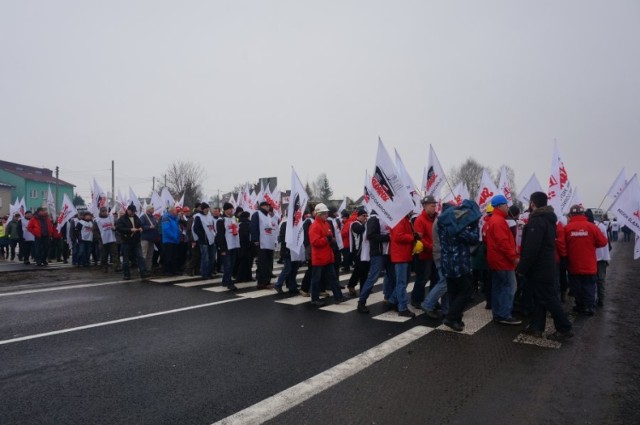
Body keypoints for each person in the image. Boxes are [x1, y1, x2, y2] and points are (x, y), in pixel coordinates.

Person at [517, 191, 573, 341]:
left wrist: (522, 268)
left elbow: (531, 248)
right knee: (539, 298)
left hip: (540, 267)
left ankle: (564, 328)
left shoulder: (537, 220)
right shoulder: (547, 219)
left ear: (532, 203)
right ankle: (537, 327)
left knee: (549, 299)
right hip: (545, 265)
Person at [438, 199, 481, 332]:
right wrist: (474, 225)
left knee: (454, 292)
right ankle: (451, 318)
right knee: (467, 291)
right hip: (460, 264)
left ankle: (456, 320)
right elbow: (473, 238)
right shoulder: (455, 226)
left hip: (447, 263)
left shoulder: (442, 223)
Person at [564, 204, 608, 316]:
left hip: (573, 264)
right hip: (589, 264)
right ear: (583, 214)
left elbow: (562, 245)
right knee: (589, 286)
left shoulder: (567, 228)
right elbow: (603, 242)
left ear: (571, 214)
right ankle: (588, 306)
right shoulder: (592, 227)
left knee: (576, 287)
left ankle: (579, 305)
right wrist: (591, 244)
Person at [484, 195, 521, 325]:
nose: (508, 207)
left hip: (496, 260)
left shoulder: (493, 220)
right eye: (506, 205)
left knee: (498, 287)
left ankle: (498, 314)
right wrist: (514, 258)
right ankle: (504, 314)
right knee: (510, 287)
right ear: (500, 206)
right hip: (503, 261)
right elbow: (503, 243)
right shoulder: (499, 221)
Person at [308, 203, 347, 306]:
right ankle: (314, 299)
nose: (326, 215)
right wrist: (327, 239)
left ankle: (339, 297)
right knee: (316, 279)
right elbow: (314, 242)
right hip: (319, 257)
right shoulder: (315, 226)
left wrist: (332, 240)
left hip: (328, 256)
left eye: (326, 213)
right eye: (324, 213)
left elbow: (329, 236)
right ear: (319, 214)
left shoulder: (326, 223)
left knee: (333, 278)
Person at [357, 210, 395, 313]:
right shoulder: (374, 218)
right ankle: (361, 302)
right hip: (378, 253)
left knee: (392, 277)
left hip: (389, 253)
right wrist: (388, 237)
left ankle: (391, 299)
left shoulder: (390, 217)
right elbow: (371, 236)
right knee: (373, 278)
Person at [388, 213, 417, 318]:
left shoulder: (404, 219)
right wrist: (412, 237)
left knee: (404, 281)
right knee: (401, 282)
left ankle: (392, 300)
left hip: (404, 254)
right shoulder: (400, 219)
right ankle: (402, 308)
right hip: (400, 255)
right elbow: (398, 236)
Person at [411, 196, 437, 308]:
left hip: (435, 254)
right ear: (425, 206)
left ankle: (432, 300)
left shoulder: (436, 219)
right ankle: (416, 299)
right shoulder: (420, 220)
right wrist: (431, 246)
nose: (434, 207)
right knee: (422, 278)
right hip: (424, 255)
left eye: (435, 205)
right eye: (432, 205)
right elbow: (419, 238)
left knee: (436, 279)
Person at [116, 204, 150, 280]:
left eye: (134, 211)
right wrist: (130, 230)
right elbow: (119, 228)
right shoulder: (122, 219)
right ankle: (126, 274)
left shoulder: (136, 218)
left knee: (140, 257)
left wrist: (141, 228)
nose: (133, 213)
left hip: (136, 241)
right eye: (131, 211)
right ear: (127, 210)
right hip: (126, 241)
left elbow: (141, 225)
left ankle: (143, 272)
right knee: (126, 259)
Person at [250, 201, 278, 289]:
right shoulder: (257, 214)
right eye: (267, 206)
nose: (268, 207)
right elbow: (253, 227)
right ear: (263, 206)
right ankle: (263, 282)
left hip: (269, 242)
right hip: (261, 243)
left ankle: (266, 281)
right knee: (263, 263)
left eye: (268, 206)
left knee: (269, 263)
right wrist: (255, 239)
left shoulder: (268, 216)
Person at [216, 202, 240, 290]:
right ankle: (229, 283)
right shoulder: (221, 220)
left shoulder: (234, 219)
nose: (231, 210)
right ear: (226, 210)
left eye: (232, 209)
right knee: (227, 265)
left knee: (232, 265)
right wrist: (222, 248)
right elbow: (220, 235)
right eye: (230, 209)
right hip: (226, 246)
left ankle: (225, 280)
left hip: (234, 245)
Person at [348, 208, 369, 299]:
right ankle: (351, 285)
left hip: (365, 251)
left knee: (364, 270)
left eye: (366, 216)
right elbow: (360, 230)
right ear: (359, 216)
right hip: (357, 251)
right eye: (363, 216)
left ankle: (363, 287)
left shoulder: (362, 224)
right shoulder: (354, 224)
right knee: (359, 270)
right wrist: (367, 223)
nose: (365, 217)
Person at [192, 202, 216, 280]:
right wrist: (201, 237)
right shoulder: (198, 217)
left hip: (211, 240)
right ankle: (204, 273)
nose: (207, 210)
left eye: (208, 208)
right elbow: (195, 228)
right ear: (202, 209)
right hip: (204, 241)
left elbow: (212, 227)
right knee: (205, 258)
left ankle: (210, 272)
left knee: (212, 257)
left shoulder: (209, 216)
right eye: (205, 208)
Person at [94, 206, 121, 272]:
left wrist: (115, 228)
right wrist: (99, 237)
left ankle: (116, 267)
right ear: (100, 212)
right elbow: (94, 230)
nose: (104, 212)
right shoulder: (97, 220)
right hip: (103, 240)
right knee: (104, 255)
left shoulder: (111, 218)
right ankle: (104, 267)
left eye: (105, 211)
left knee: (114, 253)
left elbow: (117, 226)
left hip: (112, 239)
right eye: (103, 211)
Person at [161, 207, 181, 275]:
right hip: (168, 240)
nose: (176, 212)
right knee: (168, 256)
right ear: (172, 211)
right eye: (175, 211)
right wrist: (174, 236)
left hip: (175, 240)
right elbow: (166, 229)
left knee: (175, 256)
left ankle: (173, 270)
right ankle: (167, 270)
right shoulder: (166, 218)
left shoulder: (175, 218)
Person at [139, 205, 159, 272]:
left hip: (152, 239)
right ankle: (142, 268)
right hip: (145, 238)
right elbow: (140, 226)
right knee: (144, 254)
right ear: (148, 210)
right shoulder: (143, 217)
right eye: (152, 208)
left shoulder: (152, 217)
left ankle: (148, 268)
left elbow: (155, 226)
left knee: (150, 254)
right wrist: (148, 227)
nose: (153, 209)